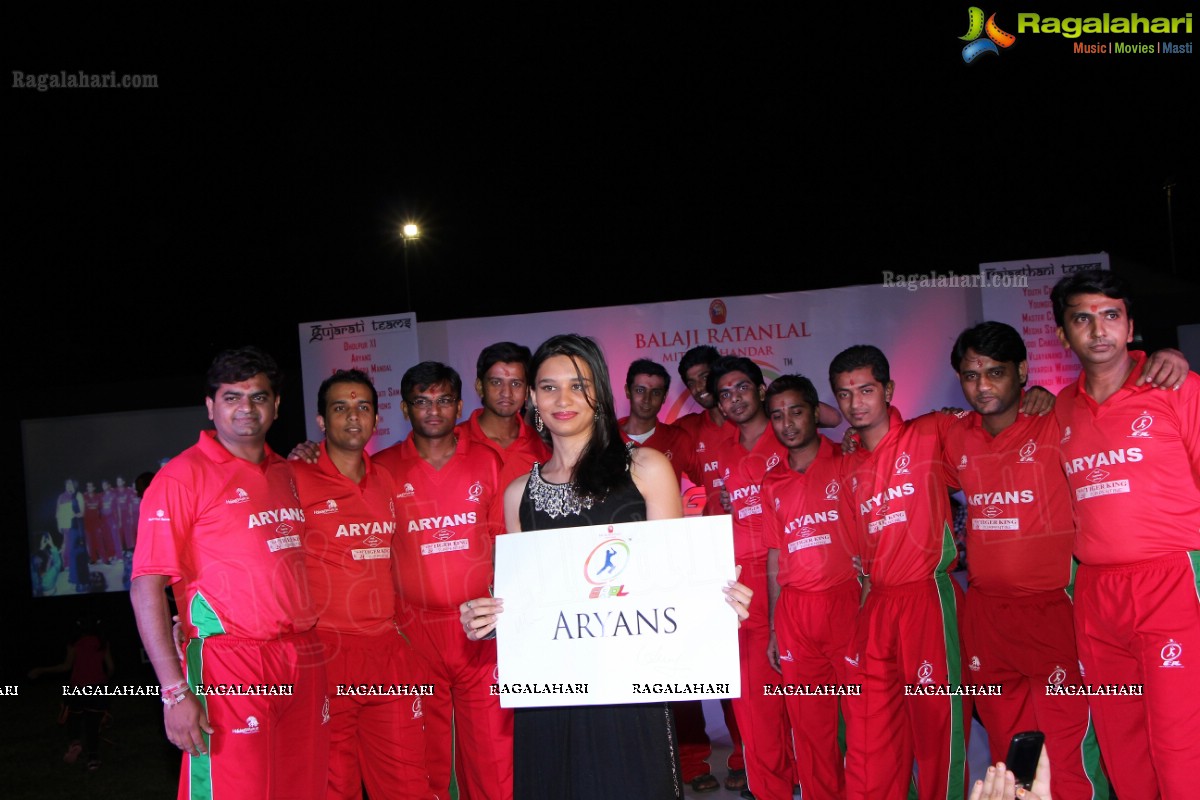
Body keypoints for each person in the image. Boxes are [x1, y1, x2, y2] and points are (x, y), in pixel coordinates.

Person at [459, 333, 753, 800]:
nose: (564, 399)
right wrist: (490, 621)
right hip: (550, 696)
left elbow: (673, 581)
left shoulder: (647, 469)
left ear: (599, 392)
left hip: (630, 691)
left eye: (579, 385)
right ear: (532, 398)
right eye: (549, 387)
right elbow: (526, 604)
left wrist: (715, 605)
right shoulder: (519, 495)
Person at [130, 346, 329, 799]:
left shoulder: (289, 471)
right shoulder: (181, 477)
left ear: (276, 405)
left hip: (302, 655)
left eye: (258, 397)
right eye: (232, 397)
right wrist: (175, 692)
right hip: (230, 663)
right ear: (210, 406)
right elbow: (146, 587)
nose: (246, 408)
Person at [1050, 270, 1200, 799]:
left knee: (1181, 743)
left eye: (1111, 315)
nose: (1098, 329)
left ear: (1131, 325)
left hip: (1171, 585)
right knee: (1121, 744)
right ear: (1064, 335)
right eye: (1082, 318)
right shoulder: (1059, 410)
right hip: (1096, 595)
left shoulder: (1177, 386)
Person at [943, 322, 1108, 800]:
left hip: (1054, 609)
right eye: (971, 375)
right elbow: (892, 440)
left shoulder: (1057, 420)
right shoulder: (954, 436)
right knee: (1007, 746)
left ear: (1021, 371)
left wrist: (1048, 396)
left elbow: (1101, 392)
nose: (983, 386)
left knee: (1069, 742)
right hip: (989, 616)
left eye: (996, 372)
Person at [830, 344, 968, 800]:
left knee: (937, 734)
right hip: (877, 605)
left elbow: (995, 421)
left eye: (866, 390)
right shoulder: (847, 464)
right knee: (872, 738)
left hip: (928, 595)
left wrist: (1036, 396)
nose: (856, 403)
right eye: (845, 394)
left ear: (888, 390)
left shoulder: (931, 433)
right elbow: (859, 557)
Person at [290, 368, 435, 800]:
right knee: (334, 785)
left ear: (375, 418)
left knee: (408, 782)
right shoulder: (293, 478)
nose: (353, 417)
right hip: (326, 652)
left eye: (362, 407)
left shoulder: (386, 479)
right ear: (321, 421)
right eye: (340, 408)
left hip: (386, 651)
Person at [373, 361, 512, 800]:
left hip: (478, 628)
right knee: (424, 754)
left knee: (491, 751)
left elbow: (504, 546)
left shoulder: (487, 462)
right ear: (405, 408)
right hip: (413, 631)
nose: (433, 411)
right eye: (422, 401)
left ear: (459, 405)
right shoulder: (381, 468)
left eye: (444, 400)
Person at [761, 374, 860, 800]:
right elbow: (775, 556)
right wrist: (772, 627)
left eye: (796, 411)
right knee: (810, 727)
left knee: (865, 721)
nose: (787, 423)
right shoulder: (772, 482)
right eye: (778, 415)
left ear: (817, 413)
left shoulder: (848, 461)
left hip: (848, 605)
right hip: (796, 614)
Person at [709, 355, 800, 800]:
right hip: (742, 599)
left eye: (741, 387)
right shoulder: (722, 454)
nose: (734, 398)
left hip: (793, 587)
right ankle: (770, 791)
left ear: (761, 388)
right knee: (756, 715)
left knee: (810, 708)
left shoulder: (789, 436)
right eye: (724, 393)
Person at [672, 345, 748, 793]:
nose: (701, 388)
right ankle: (694, 760)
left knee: (744, 672)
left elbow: (823, 422)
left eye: (709, 378)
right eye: (693, 381)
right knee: (698, 667)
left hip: (760, 565)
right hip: (705, 566)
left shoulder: (755, 423)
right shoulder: (685, 432)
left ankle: (746, 756)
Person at [457, 341, 551, 496]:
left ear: (527, 391)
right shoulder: (455, 441)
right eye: (496, 382)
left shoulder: (541, 447)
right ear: (480, 387)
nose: (506, 393)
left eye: (515, 383)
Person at [28, 614, 115, 772]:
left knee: (73, 717)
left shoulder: (74, 643)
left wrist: (41, 670)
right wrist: (103, 680)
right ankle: (93, 759)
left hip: (77, 687)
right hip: (98, 688)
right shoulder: (102, 643)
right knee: (93, 723)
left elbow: (66, 667)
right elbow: (111, 668)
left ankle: (75, 743)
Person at [619, 358, 695, 486]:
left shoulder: (679, 439)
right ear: (628, 391)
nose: (646, 399)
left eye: (655, 393)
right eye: (640, 390)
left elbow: (711, 477)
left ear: (664, 397)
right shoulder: (605, 438)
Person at [56, 478, 87, 592]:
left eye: (71, 484)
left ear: (74, 485)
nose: (69, 486)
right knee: (69, 550)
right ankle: (72, 575)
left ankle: (80, 580)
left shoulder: (78, 495)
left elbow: (81, 513)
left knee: (77, 552)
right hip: (66, 527)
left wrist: (73, 514)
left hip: (76, 527)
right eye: (67, 484)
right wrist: (59, 524)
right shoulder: (61, 497)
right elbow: (58, 512)